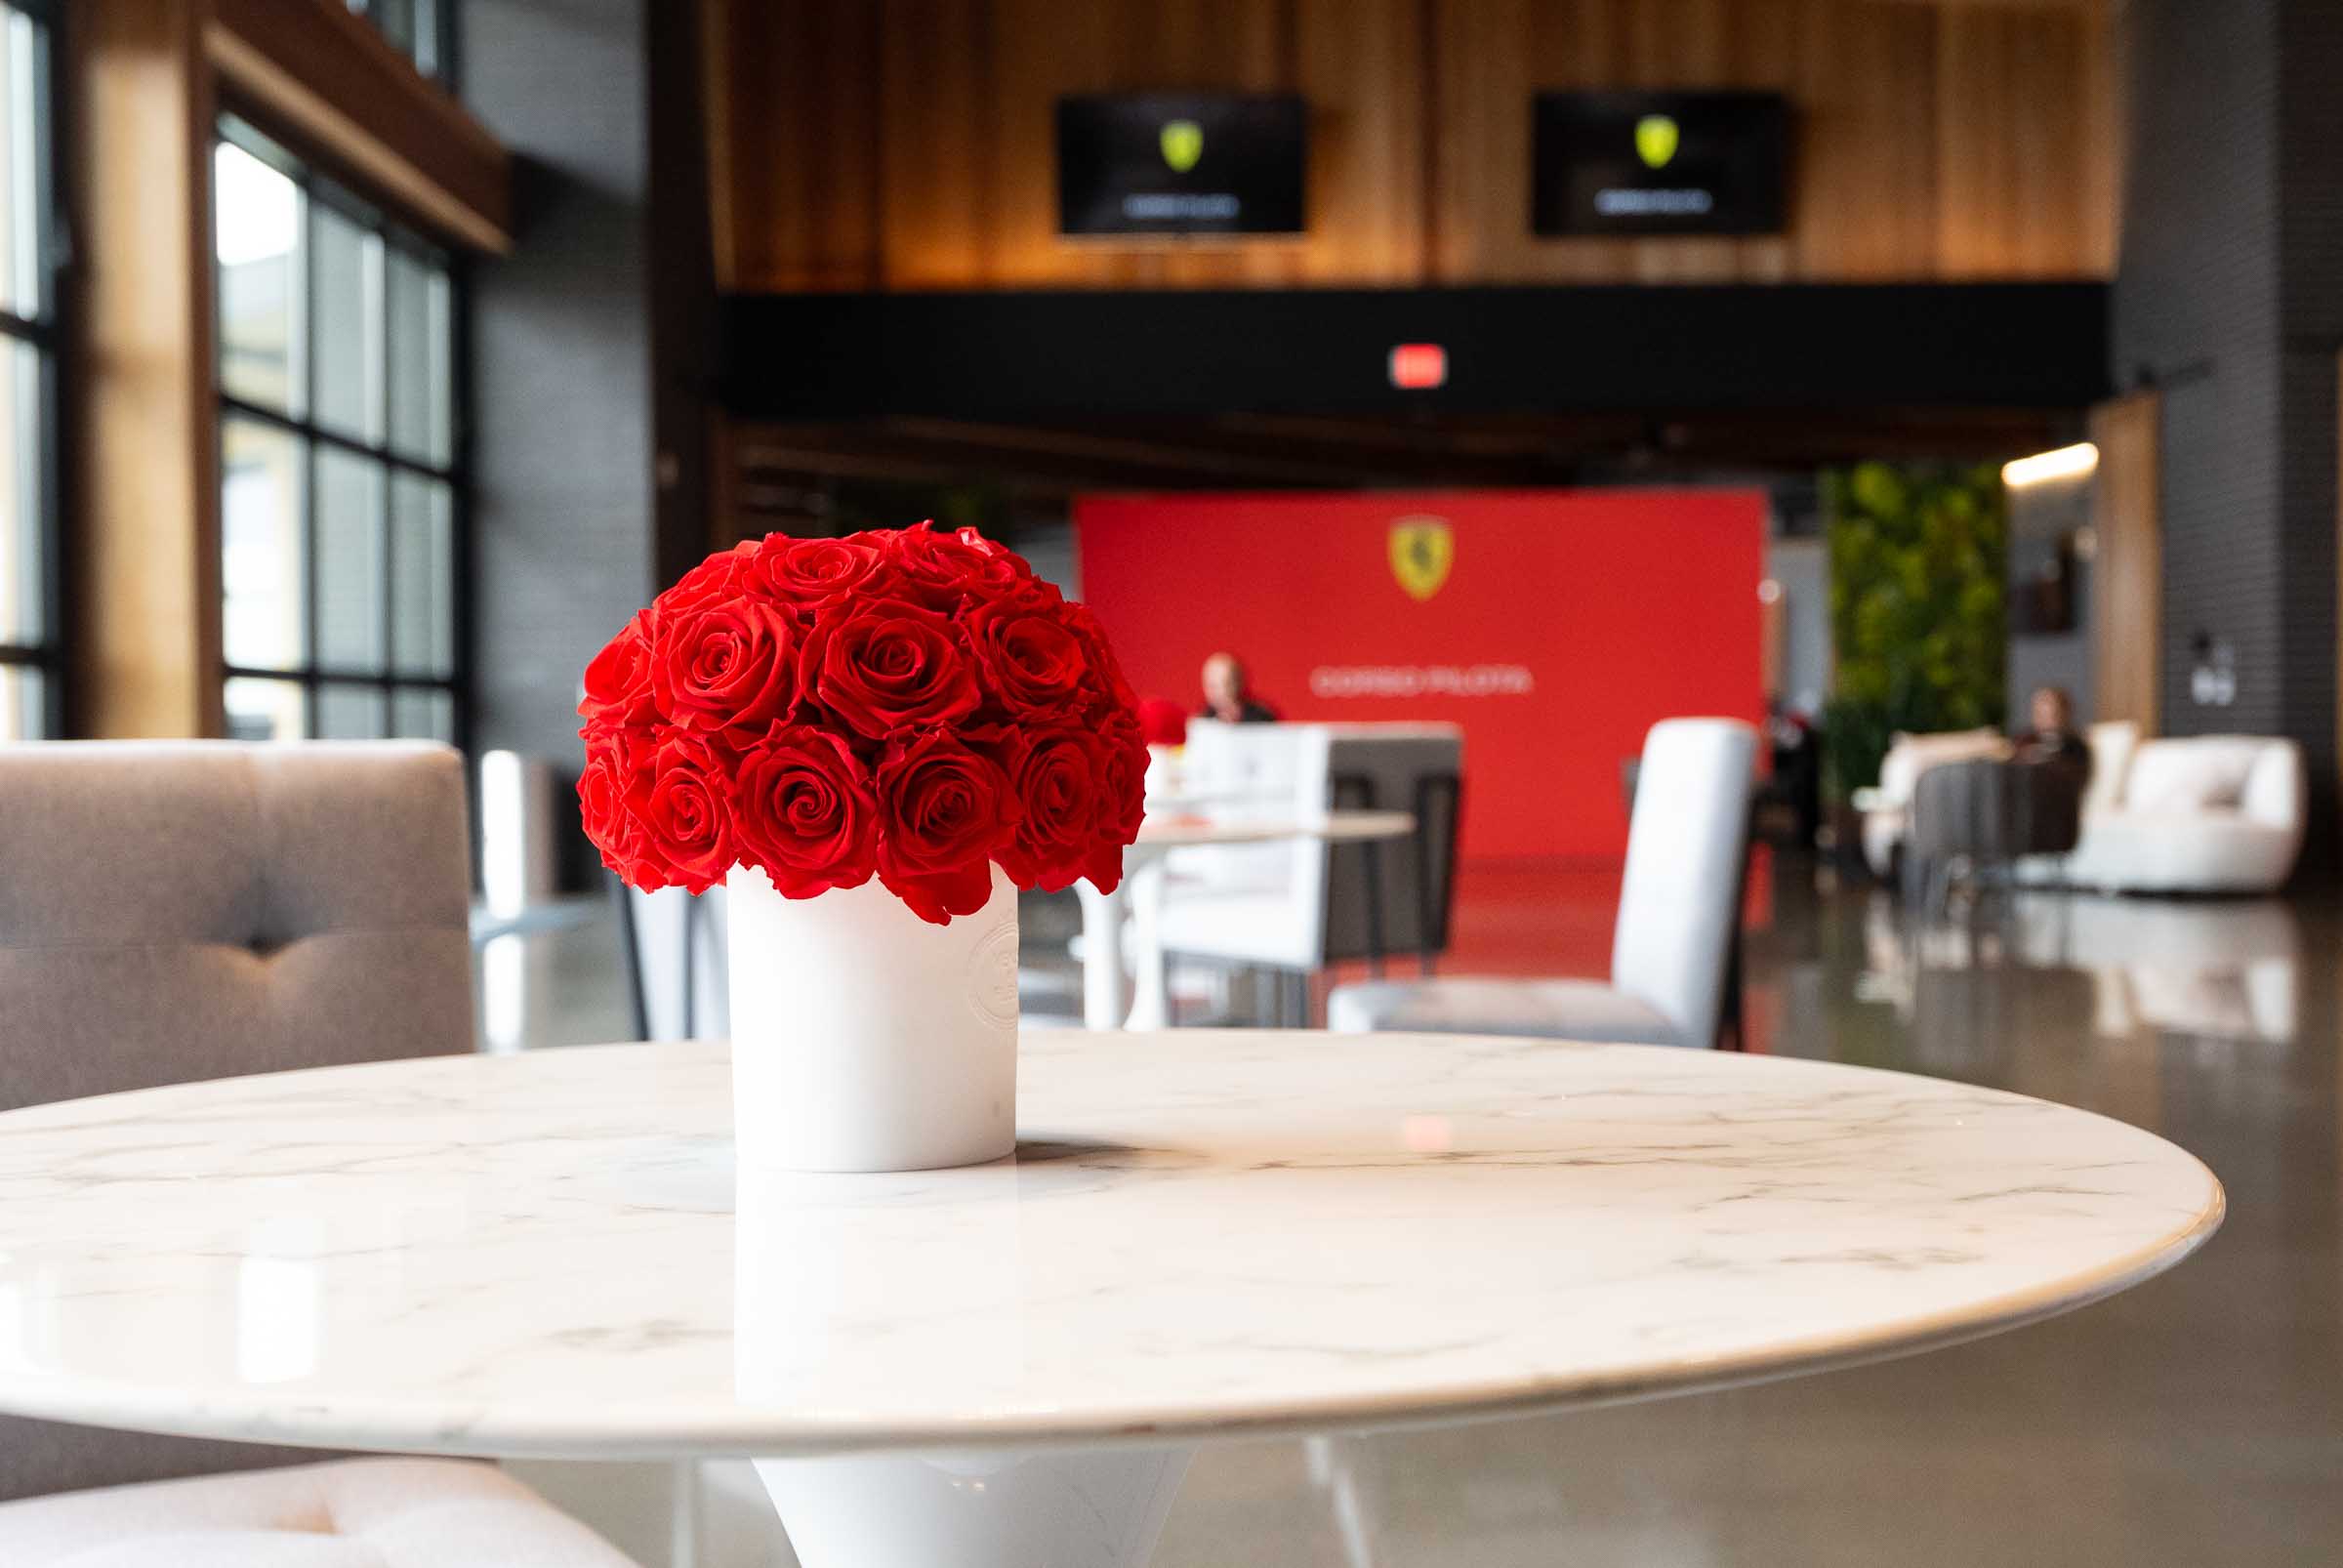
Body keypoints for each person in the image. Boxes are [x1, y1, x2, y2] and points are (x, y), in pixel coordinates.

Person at [2012, 684, 2092, 784]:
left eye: (2050, 713)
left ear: (2064, 713)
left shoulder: (2075, 745)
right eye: (2039, 713)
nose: (2044, 718)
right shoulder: (2024, 740)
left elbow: (2075, 773)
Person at [1198, 652, 1279, 724]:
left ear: (1236, 683)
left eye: (1216, 686)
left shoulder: (1260, 718)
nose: (1211, 692)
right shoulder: (1203, 722)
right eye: (1209, 685)